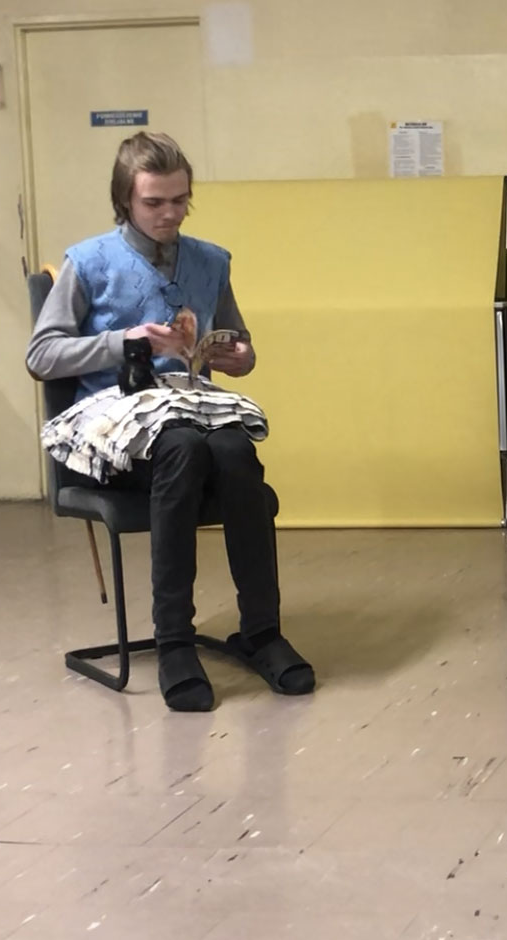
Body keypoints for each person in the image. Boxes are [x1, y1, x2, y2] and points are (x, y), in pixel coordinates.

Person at [26, 132, 313, 712]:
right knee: (184, 447)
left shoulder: (210, 261)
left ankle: (262, 630)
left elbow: (238, 344)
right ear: (125, 200)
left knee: (234, 449)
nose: (170, 214)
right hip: (118, 430)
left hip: (191, 410)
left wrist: (239, 356)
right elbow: (42, 355)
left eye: (180, 200)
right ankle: (175, 640)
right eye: (154, 202)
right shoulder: (88, 262)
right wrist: (122, 341)